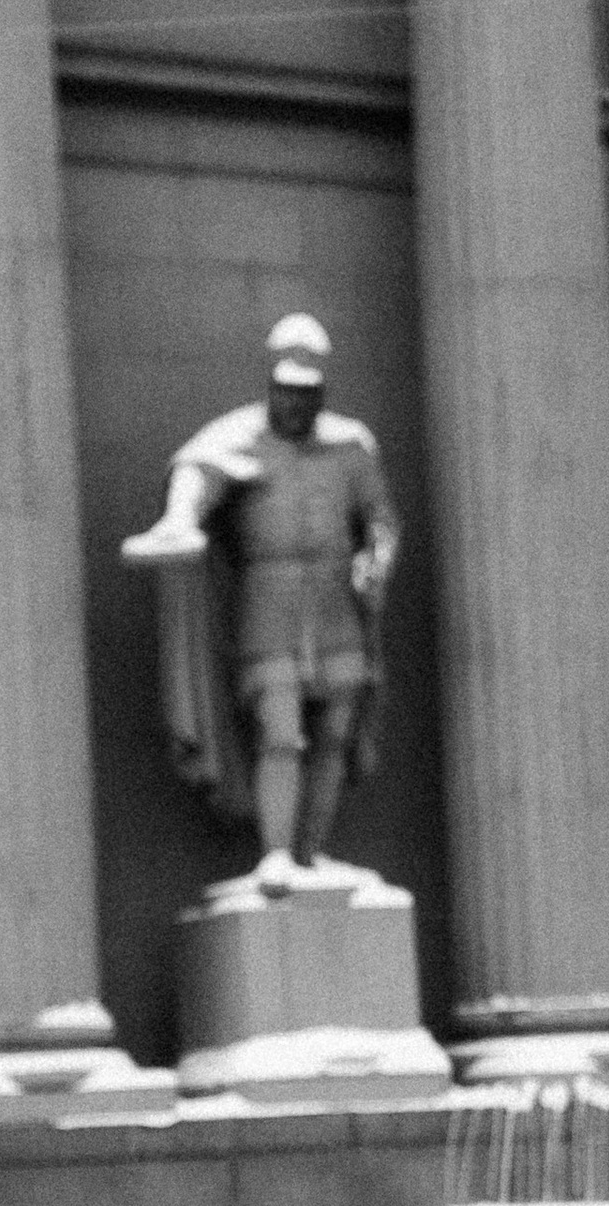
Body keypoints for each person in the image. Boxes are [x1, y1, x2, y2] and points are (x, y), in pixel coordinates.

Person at [121, 311, 401, 886]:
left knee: (336, 731)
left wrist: (378, 559)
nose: (292, 404)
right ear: (269, 387)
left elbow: (381, 518)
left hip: (334, 599)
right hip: (268, 596)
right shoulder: (240, 435)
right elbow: (196, 471)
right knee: (280, 728)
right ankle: (275, 851)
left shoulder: (351, 446)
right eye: (284, 392)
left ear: (321, 394)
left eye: (305, 394)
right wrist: (179, 520)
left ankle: (310, 851)